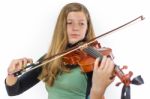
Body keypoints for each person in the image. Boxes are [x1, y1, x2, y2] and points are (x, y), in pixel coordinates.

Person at [5, 2, 114, 99]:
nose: (75, 28)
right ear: (62, 26)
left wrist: (98, 90)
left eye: (81, 23)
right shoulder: (50, 58)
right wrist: (11, 74)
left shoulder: (93, 62)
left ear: (87, 28)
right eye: (69, 23)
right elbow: (14, 90)